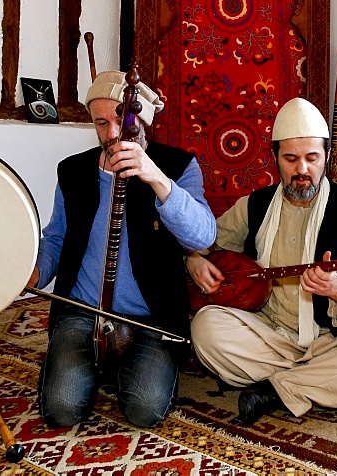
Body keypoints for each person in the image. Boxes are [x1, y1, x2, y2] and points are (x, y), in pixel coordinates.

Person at [187, 97, 337, 425]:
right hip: (268, 336)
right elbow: (205, 243)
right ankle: (331, 384)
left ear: (326, 157)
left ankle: (275, 388)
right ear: (275, 159)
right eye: (291, 159)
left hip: (333, 341)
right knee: (206, 328)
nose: (302, 170)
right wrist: (193, 259)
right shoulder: (254, 205)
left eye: (312, 158)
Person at [28, 70, 217, 429]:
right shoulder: (73, 171)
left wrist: (156, 178)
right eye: (101, 123)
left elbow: (202, 238)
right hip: (83, 311)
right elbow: (56, 238)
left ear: (142, 117)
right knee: (61, 409)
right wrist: (35, 272)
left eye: (120, 118)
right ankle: (97, 363)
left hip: (149, 319)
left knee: (144, 410)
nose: (112, 133)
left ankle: (120, 365)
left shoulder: (177, 166)